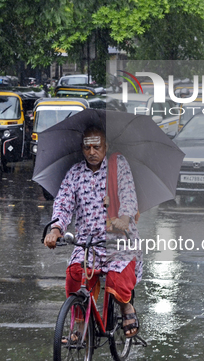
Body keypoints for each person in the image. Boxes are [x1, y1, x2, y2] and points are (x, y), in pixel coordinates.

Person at [43, 125, 142, 338]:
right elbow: (63, 202)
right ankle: (80, 325)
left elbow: (129, 195)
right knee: (75, 274)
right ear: (82, 148)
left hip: (118, 239)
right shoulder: (75, 173)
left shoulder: (119, 166)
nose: (92, 152)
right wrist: (56, 229)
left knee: (118, 277)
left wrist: (124, 218)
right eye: (87, 147)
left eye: (97, 147)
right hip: (87, 243)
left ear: (105, 146)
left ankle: (126, 307)